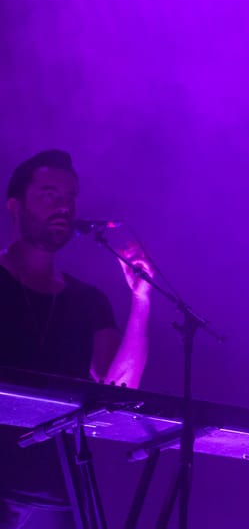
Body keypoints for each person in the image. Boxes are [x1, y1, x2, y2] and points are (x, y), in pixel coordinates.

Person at [0, 149, 153, 528]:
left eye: (70, 198)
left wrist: (140, 300)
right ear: (14, 206)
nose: (63, 207)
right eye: (49, 195)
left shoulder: (88, 300)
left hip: (61, 488)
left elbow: (118, 388)